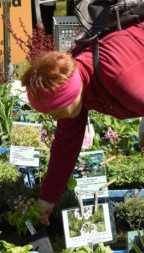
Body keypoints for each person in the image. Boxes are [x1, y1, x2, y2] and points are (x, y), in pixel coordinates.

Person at [21, 18, 144, 226]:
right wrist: (46, 200)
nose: (54, 117)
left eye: (56, 111)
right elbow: (65, 145)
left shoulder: (122, 82)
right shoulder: (73, 79)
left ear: (70, 97)